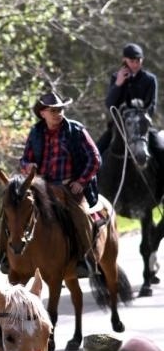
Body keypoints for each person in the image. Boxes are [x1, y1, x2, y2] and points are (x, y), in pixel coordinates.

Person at [18, 90, 101, 277]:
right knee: (15, 210)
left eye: (60, 109)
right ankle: (8, 258)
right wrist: (27, 166)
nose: (58, 114)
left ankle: (86, 260)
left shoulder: (76, 130)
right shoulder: (36, 132)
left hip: (69, 187)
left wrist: (81, 181)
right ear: (43, 113)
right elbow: (24, 159)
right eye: (53, 110)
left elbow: (95, 158)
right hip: (42, 188)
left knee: (81, 217)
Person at [97, 42, 161, 154]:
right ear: (124, 60)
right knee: (97, 151)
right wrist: (118, 84)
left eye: (138, 61)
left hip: (142, 126)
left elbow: (152, 105)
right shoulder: (116, 77)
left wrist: (143, 121)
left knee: (160, 149)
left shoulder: (150, 79)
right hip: (118, 127)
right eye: (132, 61)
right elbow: (109, 104)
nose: (135, 65)